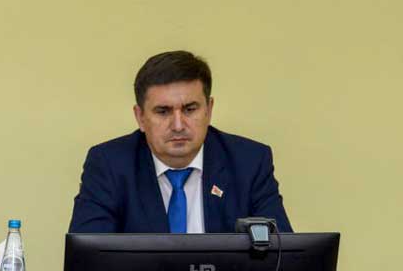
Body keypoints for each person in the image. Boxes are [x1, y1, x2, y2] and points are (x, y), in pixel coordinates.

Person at [69, 50, 292, 234]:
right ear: (140, 117)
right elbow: (88, 262)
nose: (178, 125)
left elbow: (284, 257)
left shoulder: (249, 162)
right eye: (163, 111)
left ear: (209, 110)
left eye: (190, 109)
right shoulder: (109, 165)